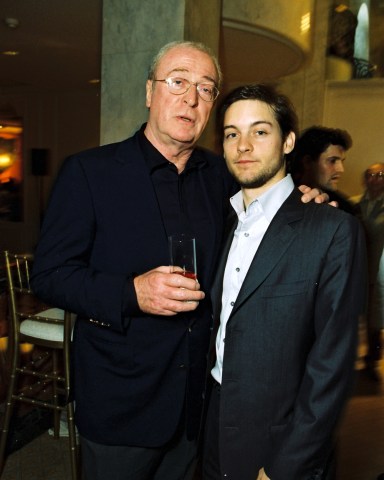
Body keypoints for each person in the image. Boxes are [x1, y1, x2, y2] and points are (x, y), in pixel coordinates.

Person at [30, 42, 327, 480]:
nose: (191, 97)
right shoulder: (90, 173)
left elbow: (269, 206)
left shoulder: (224, 176)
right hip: (121, 405)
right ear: (150, 92)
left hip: (198, 408)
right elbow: (50, 276)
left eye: (206, 89)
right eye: (178, 82)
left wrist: (305, 200)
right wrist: (131, 292)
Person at [202, 84, 367, 480]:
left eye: (259, 131)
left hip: (279, 442)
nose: (243, 145)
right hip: (213, 429)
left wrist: (285, 466)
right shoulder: (222, 223)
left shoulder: (332, 229)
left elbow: (331, 368)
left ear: (288, 141)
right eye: (231, 134)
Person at [351, 163, 384, 380]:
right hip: (356, 267)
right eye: (370, 175)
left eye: (380, 174)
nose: (375, 179)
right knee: (354, 315)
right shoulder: (354, 203)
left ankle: (372, 360)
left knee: (374, 317)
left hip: (379, 268)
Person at [289, 125, 359, 215]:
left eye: (342, 161)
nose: (341, 169)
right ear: (307, 162)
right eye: (332, 161)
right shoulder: (282, 196)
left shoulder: (345, 209)